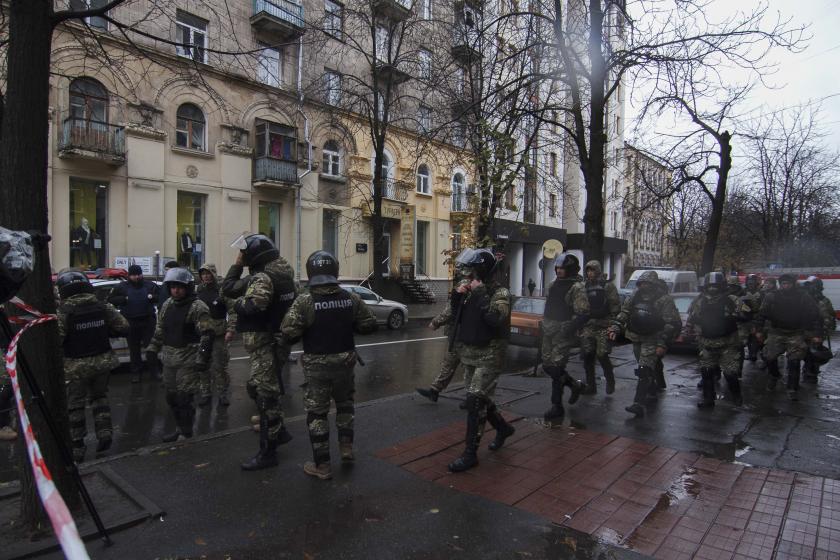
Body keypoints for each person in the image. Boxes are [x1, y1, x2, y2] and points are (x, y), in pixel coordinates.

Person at [281, 251, 378, 480]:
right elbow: (369, 324)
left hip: (317, 367)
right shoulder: (350, 298)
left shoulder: (305, 300)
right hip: (345, 362)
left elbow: (288, 333)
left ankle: (322, 466)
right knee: (345, 405)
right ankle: (346, 449)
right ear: (334, 271)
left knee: (317, 414)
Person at [222, 234, 297, 471]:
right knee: (256, 387)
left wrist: (236, 304)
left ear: (254, 255)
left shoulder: (263, 277)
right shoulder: (283, 274)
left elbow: (242, 298)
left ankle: (268, 452)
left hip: (267, 343)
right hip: (275, 341)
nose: (241, 256)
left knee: (266, 397)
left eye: (244, 253)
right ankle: (280, 430)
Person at [446, 248, 515, 473]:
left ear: (482, 270)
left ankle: (470, 455)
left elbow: (495, 318)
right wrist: (457, 295)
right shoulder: (470, 289)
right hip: (471, 351)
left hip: (491, 352)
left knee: (475, 401)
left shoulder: (500, 292)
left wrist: (481, 294)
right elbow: (458, 315)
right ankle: (503, 428)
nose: (469, 274)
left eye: (473, 270)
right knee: (480, 399)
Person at [55, 269, 129, 462]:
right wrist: (105, 332)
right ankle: (104, 433)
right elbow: (123, 326)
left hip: (75, 365)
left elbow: (58, 338)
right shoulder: (101, 305)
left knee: (75, 406)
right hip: (102, 361)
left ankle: (77, 445)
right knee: (99, 398)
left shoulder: (64, 311)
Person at [145, 268, 214, 442]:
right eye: (173, 287)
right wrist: (153, 348)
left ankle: (186, 432)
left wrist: (202, 358)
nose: (176, 290)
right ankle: (179, 427)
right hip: (169, 357)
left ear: (188, 288)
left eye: (180, 287)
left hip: (188, 357)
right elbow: (160, 328)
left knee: (184, 398)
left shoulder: (198, 307)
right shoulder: (168, 304)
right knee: (171, 397)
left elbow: (207, 334)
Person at [609, 270, 681, 418]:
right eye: (642, 283)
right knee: (646, 370)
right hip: (636, 336)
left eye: (647, 283)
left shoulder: (663, 299)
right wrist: (616, 326)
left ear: (654, 284)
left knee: (643, 369)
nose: (644, 286)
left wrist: (662, 343)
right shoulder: (635, 296)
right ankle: (652, 390)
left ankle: (638, 404)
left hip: (653, 337)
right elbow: (625, 312)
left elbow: (671, 323)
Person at [755, 273, 822, 400]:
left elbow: (815, 315)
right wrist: (758, 330)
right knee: (768, 357)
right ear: (780, 284)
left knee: (794, 361)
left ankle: (792, 388)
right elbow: (761, 314)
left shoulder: (803, 296)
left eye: (788, 283)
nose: (786, 286)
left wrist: (817, 334)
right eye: (783, 283)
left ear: (793, 284)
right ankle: (774, 375)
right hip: (777, 332)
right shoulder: (772, 296)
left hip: (796, 333)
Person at [684, 273, 746, 408]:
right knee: (706, 372)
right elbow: (692, 317)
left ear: (722, 286)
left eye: (715, 286)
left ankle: (737, 396)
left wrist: (734, 316)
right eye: (710, 286)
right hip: (707, 343)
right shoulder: (700, 301)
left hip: (727, 343)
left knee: (730, 373)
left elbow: (745, 315)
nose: (713, 289)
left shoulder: (732, 300)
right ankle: (708, 399)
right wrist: (688, 329)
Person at [540, 253, 588, 420]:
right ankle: (575, 385)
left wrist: (570, 328)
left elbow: (583, 313)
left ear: (570, 269)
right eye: (557, 268)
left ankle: (556, 406)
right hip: (548, 330)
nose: (559, 271)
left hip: (562, 332)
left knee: (557, 367)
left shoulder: (577, 287)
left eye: (562, 268)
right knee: (547, 366)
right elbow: (549, 305)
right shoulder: (553, 284)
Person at [416, 265, 466, 403]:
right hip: (459, 332)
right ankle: (434, 391)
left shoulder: (463, 286)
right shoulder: (471, 285)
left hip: (461, 333)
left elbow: (450, 311)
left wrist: (436, 322)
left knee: (465, 365)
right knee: (450, 363)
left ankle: (474, 398)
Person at [108, 264, 160, 383]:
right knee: (134, 350)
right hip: (131, 322)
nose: (136, 277)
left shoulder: (150, 285)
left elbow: (160, 297)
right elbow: (111, 300)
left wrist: (152, 297)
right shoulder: (121, 287)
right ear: (129, 276)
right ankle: (136, 373)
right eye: (133, 275)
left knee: (151, 348)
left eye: (138, 274)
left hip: (147, 322)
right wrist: (123, 299)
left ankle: (155, 372)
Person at [196, 264, 236, 407]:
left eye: (208, 273)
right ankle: (206, 393)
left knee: (219, 366)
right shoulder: (198, 290)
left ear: (213, 274)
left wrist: (231, 330)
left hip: (219, 334)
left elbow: (232, 311)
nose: (206, 276)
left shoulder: (222, 290)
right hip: (203, 335)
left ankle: (222, 394)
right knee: (202, 366)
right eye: (203, 274)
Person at [580, 260, 620, 395]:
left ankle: (610, 380)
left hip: (604, 324)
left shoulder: (607, 286)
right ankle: (591, 386)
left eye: (592, 270)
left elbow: (615, 305)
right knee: (587, 355)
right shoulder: (584, 286)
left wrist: (613, 325)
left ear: (597, 271)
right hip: (589, 325)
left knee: (602, 354)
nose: (589, 273)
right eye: (588, 270)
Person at [802, 276, 836, 383]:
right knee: (803, 350)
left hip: (818, 331)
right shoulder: (803, 299)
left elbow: (830, 316)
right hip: (805, 329)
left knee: (815, 351)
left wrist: (825, 329)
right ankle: (806, 368)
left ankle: (812, 370)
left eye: (812, 286)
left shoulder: (824, 301)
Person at [742, 274, 764, 363]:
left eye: (752, 282)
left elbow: (764, 306)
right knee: (747, 338)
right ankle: (751, 352)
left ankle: (754, 353)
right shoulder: (743, 292)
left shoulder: (761, 293)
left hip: (756, 318)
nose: (751, 284)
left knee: (755, 336)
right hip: (745, 317)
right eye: (749, 282)